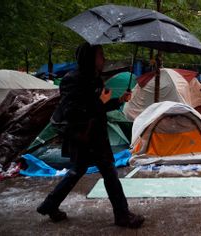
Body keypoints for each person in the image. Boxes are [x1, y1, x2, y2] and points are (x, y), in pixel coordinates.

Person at [37, 42, 145, 228]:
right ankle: (122, 215)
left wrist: (118, 100)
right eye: (100, 55)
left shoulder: (95, 79)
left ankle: (49, 204)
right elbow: (73, 112)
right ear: (89, 58)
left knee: (78, 171)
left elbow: (98, 107)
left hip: (95, 135)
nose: (104, 59)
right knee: (109, 173)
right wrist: (98, 102)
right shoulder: (72, 80)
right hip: (83, 136)